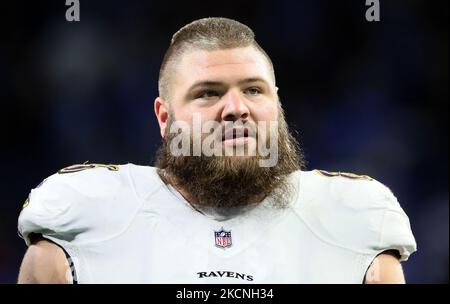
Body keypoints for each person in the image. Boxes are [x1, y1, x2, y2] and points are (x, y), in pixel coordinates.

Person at [17, 17, 416, 284]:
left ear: (277, 103)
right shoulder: (83, 218)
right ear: (164, 117)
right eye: (208, 93)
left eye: (253, 90)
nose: (236, 108)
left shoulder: (354, 220)